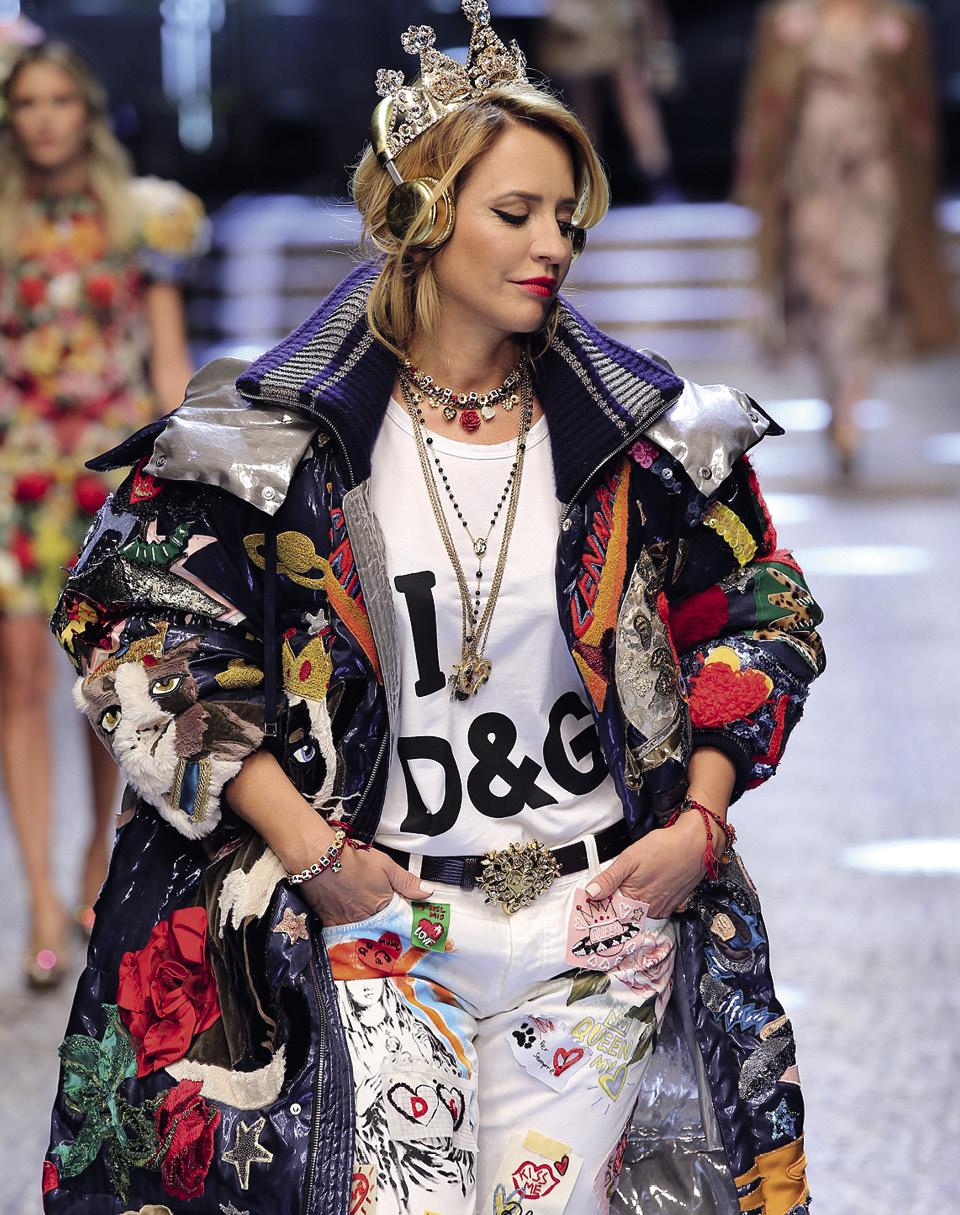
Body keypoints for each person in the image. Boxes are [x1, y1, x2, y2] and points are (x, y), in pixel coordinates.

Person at [42, 4, 824, 1212]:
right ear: (418, 216)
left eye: (565, 217)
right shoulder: (270, 444)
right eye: (515, 213)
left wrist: (699, 825)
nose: (552, 244)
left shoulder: (649, 441)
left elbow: (763, 614)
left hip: (599, 924)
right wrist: (315, 857)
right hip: (380, 922)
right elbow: (135, 639)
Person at [0, 42, 207, 988]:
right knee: (16, 682)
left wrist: (187, 468)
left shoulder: (142, 216)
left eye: (60, 100)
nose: (45, 118)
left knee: (105, 684)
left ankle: (92, 866)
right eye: (27, 102)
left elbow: (166, 358)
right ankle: (42, 897)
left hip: (108, 475)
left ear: (86, 111)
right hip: (15, 474)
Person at [735, 0, 957, 475]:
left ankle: (851, 407)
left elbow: (921, 112)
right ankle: (835, 396)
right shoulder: (787, 22)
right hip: (808, 177)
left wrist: (922, 188)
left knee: (867, 285)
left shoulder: (899, 23)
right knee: (816, 290)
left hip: (874, 174)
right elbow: (763, 106)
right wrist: (756, 177)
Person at [538, 0, 683, 202]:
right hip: (574, 12)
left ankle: (657, 177)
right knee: (581, 94)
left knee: (631, 86)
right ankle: (586, 181)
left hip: (615, 13)